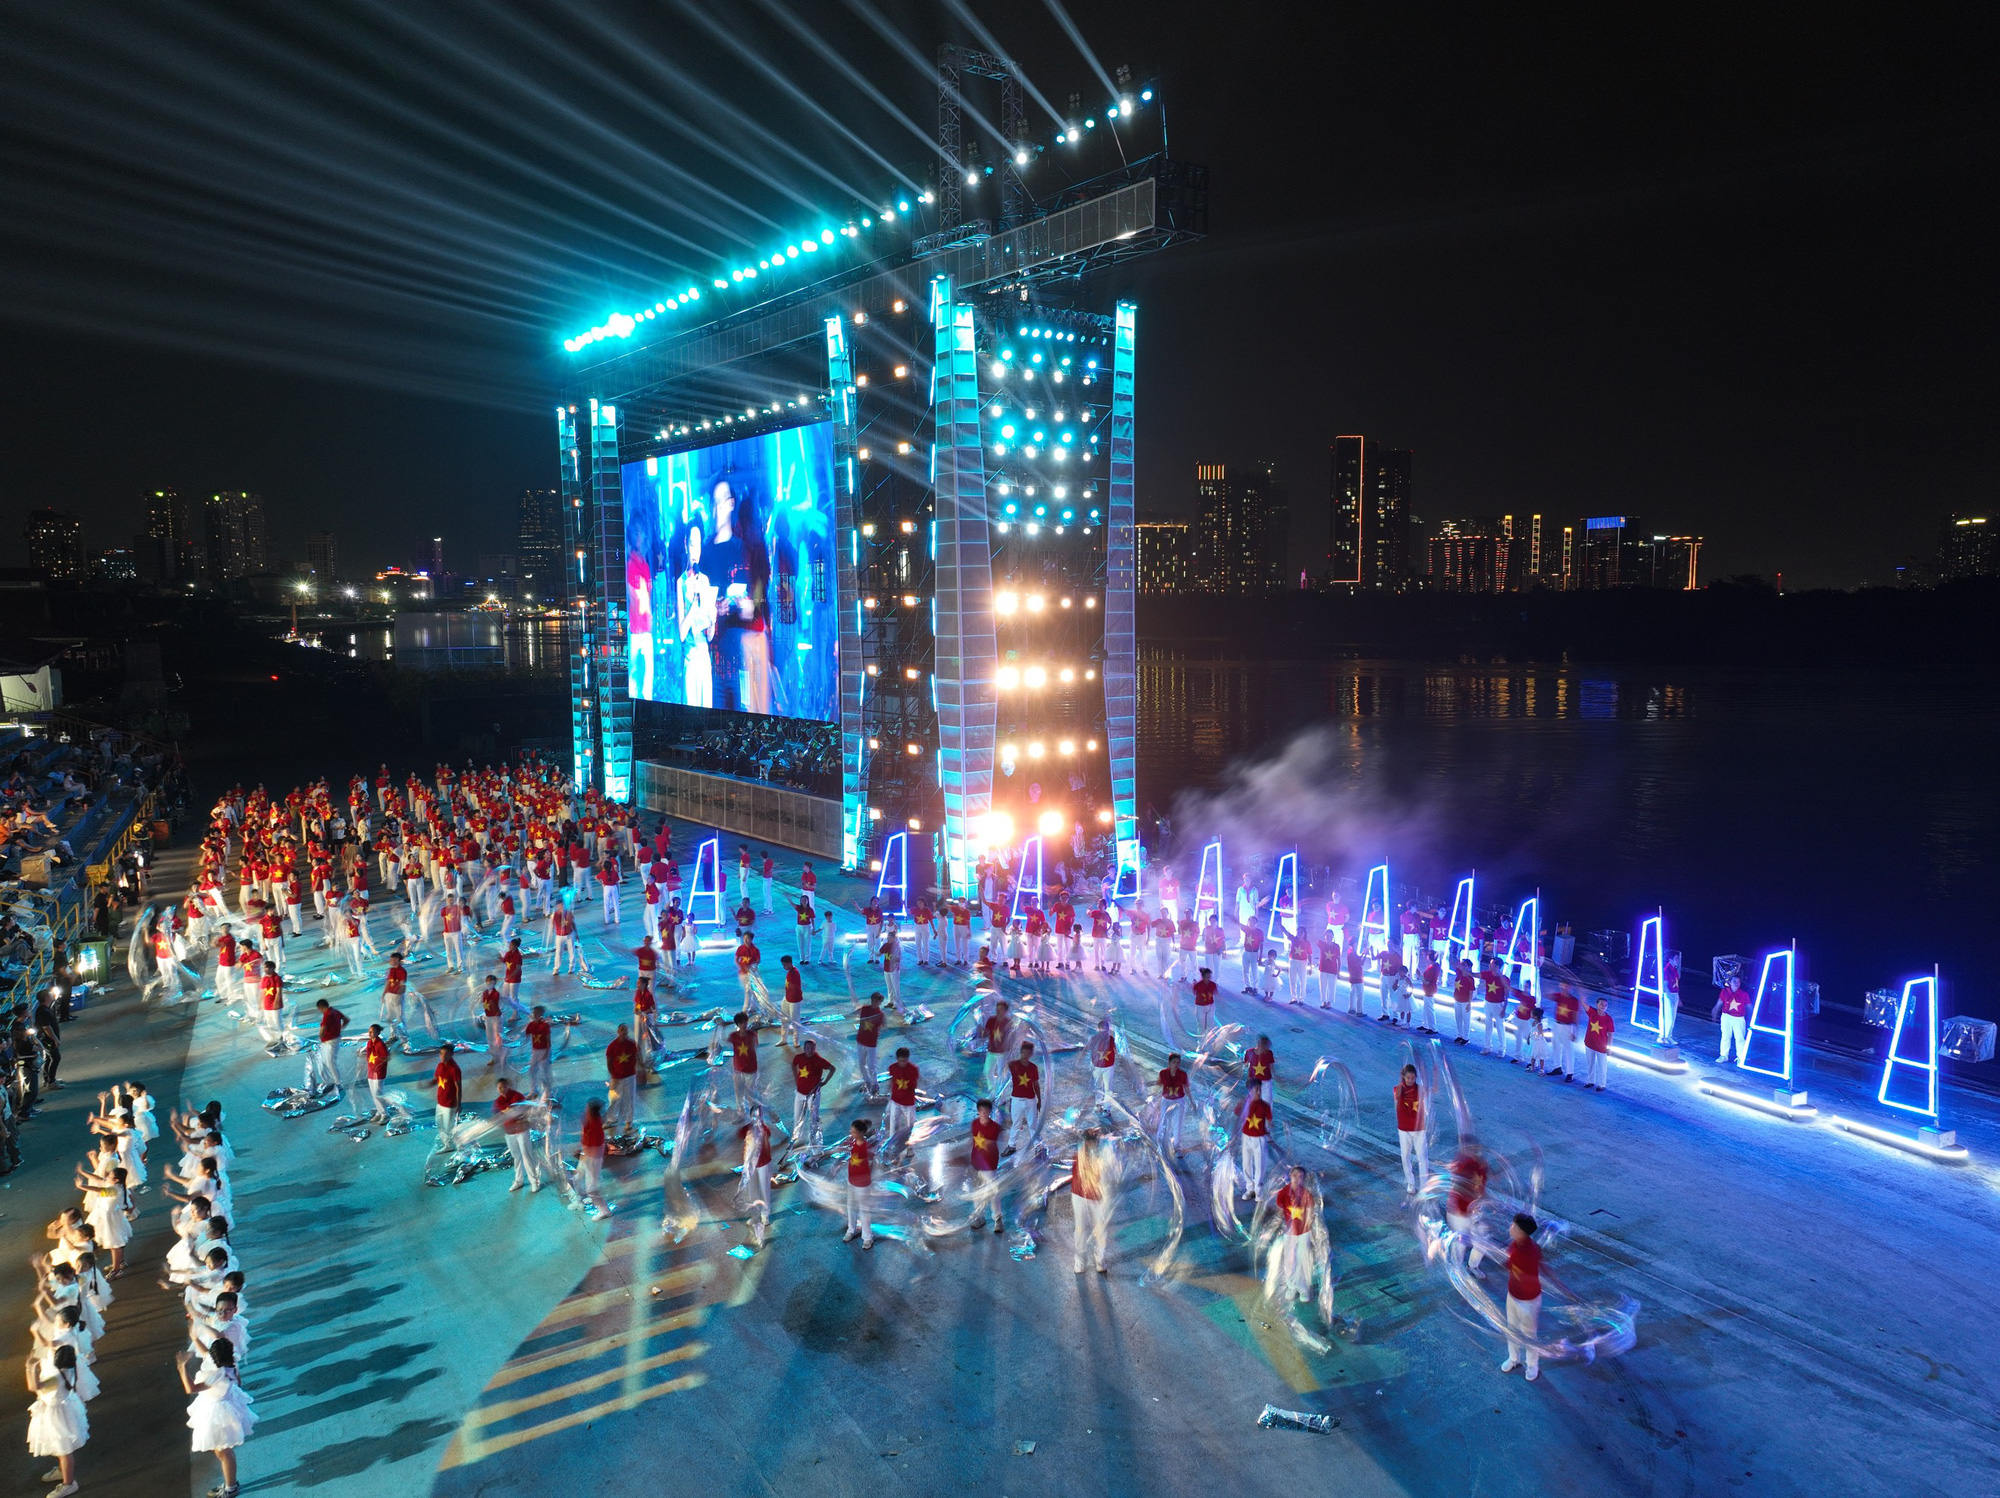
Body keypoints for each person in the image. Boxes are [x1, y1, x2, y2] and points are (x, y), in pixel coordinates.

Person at [179, 1336, 256, 1498]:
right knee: (223, 1451)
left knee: (223, 1452)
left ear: (215, 1357)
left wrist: (182, 1368)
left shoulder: (217, 1374)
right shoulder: (232, 1366)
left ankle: (231, 1487)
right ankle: (230, 1482)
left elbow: (190, 1388)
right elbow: (239, 1384)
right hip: (227, 1408)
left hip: (217, 1414)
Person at [28, 1342, 87, 1497]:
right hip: (65, 1411)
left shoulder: (55, 1378)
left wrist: (30, 1367)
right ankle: (62, 1471)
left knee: (64, 1450)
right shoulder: (70, 1368)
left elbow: (33, 1387)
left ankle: (69, 1484)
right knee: (61, 1448)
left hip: (56, 1417)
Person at [1500, 1213, 1543, 1381]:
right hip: (1513, 1295)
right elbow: (1509, 1265)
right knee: (1512, 1329)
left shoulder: (1530, 1252)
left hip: (1529, 1301)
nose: (1511, 1228)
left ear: (1522, 1232)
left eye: (1514, 1227)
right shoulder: (1514, 1245)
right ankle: (1514, 1358)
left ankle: (1532, 1364)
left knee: (1529, 1334)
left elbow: (1531, 1275)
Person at [1271, 1165, 1317, 1302]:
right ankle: (1291, 1286)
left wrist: (1312, 1230)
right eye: (1294, 1175)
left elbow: (1310, 1213)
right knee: (1289, 1260)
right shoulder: (1283, 1192)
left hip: (1304, 1232)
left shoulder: (1306, 1194)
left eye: (1300, 1177)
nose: (1297, 1179)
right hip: (1289, 1232)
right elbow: (1280, 1208)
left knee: (1302, 1259)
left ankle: (1302, 1288)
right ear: (1290, 1176)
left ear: (1304, 1179)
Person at [1069, 1128, 1111, 1274]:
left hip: (1097, 1197)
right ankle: (1080, 1261)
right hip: (1080, 1195)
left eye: (1095, 1141)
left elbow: (1107, 1177)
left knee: (1101, 1230)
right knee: (1080, 1228)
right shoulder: (1079, 1155)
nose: (1093, 1144)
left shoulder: (1103, 1155)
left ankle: (1100, 1259)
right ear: (1086, 1142)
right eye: (1090, 1141)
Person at [494, 1078, 541, 1192]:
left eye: (503, 1087)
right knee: (517, 1157)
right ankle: (518, 1180)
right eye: (499, 1087)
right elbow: (504, 1114)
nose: (501, 1089)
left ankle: (534, 1181)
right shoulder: (499, 1101)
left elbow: (525, 1110)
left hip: (522, 1131)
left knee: (526, 1155)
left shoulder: (517, 1096)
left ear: (507, 1086)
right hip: (509, 1133)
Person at [1447, 1147, 1490, 1269]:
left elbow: (1482, 1189)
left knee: (1482, 1240)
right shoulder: (1464, 1169)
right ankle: (1457, 1267)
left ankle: (1472, 1266)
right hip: (1459, 1214)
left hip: (1473, 1212)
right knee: (1461, 1242)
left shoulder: (1481, 1167)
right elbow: (1457, 1191)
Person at [967, 1098, 1004, 1233]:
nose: (984, 1113)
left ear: (989, 1111)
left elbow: (990, 1144)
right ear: (978, 1111)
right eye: (981, 1110)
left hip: (989, 1165)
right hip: (976, 1164)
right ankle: (979, 1217)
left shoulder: (994, 1127)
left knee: (993, 1193)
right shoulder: (975, 1124)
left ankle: (998, 1219)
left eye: (986, 1110)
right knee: (977, 1193)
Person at [791, 1040, 835, 1148]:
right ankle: (797, 1138)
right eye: (807, 1048)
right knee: (797, 1116)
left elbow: (832, 1069)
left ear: (815, 1048)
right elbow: (793, 1064)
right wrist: (795, 1077)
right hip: (800, 1093)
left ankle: (815, 1142)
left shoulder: (819, 1060)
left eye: (812, 1048)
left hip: (813, 1095)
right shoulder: (799, 1057)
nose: (809, 1050)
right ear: (804, 1048)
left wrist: (825, 1082)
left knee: (814, 1119)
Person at [739, 1104, 773, 1246]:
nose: (756, 1119)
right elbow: (743, 1142)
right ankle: (755, 1214)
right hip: (751, 1166)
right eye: (754, 1116)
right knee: (752, 1191)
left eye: (759, 1116)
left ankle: (765, 1214)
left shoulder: (764, 1129)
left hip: (764, 1163)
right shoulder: (746, 1129)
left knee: (764, 1189)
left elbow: (765, 1145)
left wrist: (761, 1137)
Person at [1393, 1063, 1427, 1193]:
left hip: (1419, 1129)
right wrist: (1400, 1080)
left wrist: (1434, 1073)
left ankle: (1424, 1186)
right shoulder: (1398, 1088)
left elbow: (1434, 1089)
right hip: (1404, 1129)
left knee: (1422, 1158)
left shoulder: (1420, 1089)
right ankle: (1411, 1183)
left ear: (1416, 1077)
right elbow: (1397, 1096)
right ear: (1404, 1077)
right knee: (1405, 1156)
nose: (1410, 1080)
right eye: (1408, 1078)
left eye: (1413, 1078)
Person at [573, 1098, 610, 1216]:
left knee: (591, 1189)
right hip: (587, 1155)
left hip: (592, 1159)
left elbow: (593, 1148)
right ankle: (579, 1200)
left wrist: (584, 1157)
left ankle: (604, 1210)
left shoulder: (595, 1127)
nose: (585, 1110)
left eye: (587, 1109)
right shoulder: (590, 1121)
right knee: (577, 1178)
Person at [842, 1117, 874, 1249]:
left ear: (862, 1133)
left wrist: (867, 1177)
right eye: (851, 1131)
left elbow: (872, 1162)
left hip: (862, 1184)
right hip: (852, 1180)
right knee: (851, 1206)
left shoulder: (866, 1147)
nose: (851, 1133)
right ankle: (851, 1229)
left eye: (854, 1132)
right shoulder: (854, 1143)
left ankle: (867, 1237)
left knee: (863, 1210)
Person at [1005, 1041, 1042, 1154]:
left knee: (1033, 1124)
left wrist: (1039, 1099)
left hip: (1030, 1099)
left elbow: (1036, 1084)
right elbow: (1003, 1064)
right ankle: (1011, 1146)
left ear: (1031, 1054)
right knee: (1016, 1124)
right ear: (1020, 1052)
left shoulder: (1033, 1068)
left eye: (1028, 1053)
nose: (1025, 1055)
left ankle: (1037, 1146)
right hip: (1016, 1099)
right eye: (1024, 1053)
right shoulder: (1013, 1065)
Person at [605, 1025, 640, 1133]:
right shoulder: (612, 1046)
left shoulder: (631, 1044)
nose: (624, 1033)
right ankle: (611, 1119)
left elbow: (636, 1057)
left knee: (629, 1098)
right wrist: (613, 1075)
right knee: (613, 1099)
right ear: (618, 1031)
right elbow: (609, 1062)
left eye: (626, 1031)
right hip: (617, 1077)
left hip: (629, 1076)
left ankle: (629, 1120)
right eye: (622, 1030)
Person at [884, 1048, 920, 1149]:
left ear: (908, 1059)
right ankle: (892, 1148)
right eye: (900, 1061)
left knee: (910, 1127)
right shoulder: (892, 1067)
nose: (902, 1063)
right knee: (893, 1126)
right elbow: (890, 1081)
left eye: (904, 1061)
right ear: (897, 1059)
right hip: (895, 1101)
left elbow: (914, 1085)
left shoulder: (913, 1069)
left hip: (908, 1103)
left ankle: (910, 1148)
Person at [1239, 1092, 1272, 1197]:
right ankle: (1250, 1188)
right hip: (1246, 1136)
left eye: (1259, 1089)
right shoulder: (1245, 1103)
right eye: (1255, 1090)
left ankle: (1258, 1190)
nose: (1258, 1092)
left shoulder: (1264, 1105)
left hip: (1259, 1137)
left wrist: (1268, 1131)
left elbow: (1269, 1120)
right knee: (1246, 1163)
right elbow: (1237, 1115)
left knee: (1259, 1165)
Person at [1156, 1052, 1189, 1154]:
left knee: (1177, 1124)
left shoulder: (1183, 1074)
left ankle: (1177, 1147)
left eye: (1178, 1062)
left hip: (1179, 1101)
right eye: (1174, 1062)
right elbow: (1158, 1085)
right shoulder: (1163, 1073)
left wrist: (1192, 1102)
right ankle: (1161, 1143)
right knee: (1163, 1122)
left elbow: (1187, 1088)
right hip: (1166, 1100)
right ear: (1169, 1063)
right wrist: (1154, 1100)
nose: (1176, 1064)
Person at [312, 999, 347, 1095]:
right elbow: (346, 1020)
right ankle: (329, 1081)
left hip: (330, 1041)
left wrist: (321, 1037)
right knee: (325, 1061)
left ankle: (338, 1083)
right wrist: (339, 1029)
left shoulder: (327, 1015)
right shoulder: (335, 1011)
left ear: (320, 1007)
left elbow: (322, 1031)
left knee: (330, 1062)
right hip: (333, 1039)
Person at [727, 1013, 760, 1115]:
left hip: (750, 1069)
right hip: (738, 1069)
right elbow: (725, 1041)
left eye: (745, 1022)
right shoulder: (733, 1036)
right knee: (739, 1092)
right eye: (741, 1023)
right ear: (738, 1024)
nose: (744, 1024)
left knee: (750, 1092)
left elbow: (755, 1046)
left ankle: (753, 1114)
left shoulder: (752, 1035)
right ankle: (741, 1113)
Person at [1716, 972, 1752, 1065]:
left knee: (1740, 1038)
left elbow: (1749, 1006)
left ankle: (1741, 1057)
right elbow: (1720, 1002)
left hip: (1739, 1018)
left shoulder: (1744, 994)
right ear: (1730, 982)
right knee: (1725, 1036)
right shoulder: (1724, 991)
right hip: (1726, 1016)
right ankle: (1723, 1055)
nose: (1736, 983)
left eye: (1738, 982)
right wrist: (1715, 1010)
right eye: (1734, 981)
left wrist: (1751, 1017)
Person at [853, 993, 885, 1097]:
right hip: (861, 1041)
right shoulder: (864, 1009)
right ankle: (867, 1081)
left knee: (872, 1065)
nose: (876, 1003)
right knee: (861, 1063)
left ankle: (875, 1084)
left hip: (871, 1043)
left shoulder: (880, 1014)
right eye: (874, 1001)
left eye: (878, 1002)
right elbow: (855, 1013)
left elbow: (882, 1027)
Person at [433, 1044, 463, 1150]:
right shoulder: (440, 1066)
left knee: (448, 1127)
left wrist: (459, 1104)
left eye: (446, 1054)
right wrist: (427, 1084)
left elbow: (458, 1088)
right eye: (441, 1053)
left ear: (452, 1055)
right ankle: (448, 1144)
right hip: (440, 1102)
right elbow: (437, 1078)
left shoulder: (454, 1069)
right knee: (439, 1124)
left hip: (450, 1104)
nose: (443, 1056)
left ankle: (456, 1144)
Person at [1550, 983, 1582, 1080]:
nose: (1564, 988)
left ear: (1570, 988)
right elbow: (1548, 996)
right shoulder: (1559, 996)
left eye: (1566, 986)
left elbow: (1576, 1017)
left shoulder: (1574, 1001)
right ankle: (1557, 1067)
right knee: (1556, 1046)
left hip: (1567, 1026)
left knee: (1568, 1050)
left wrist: (1575, 1031)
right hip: (1557, 1024)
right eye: (1562, 986)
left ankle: (1570, 1073)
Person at [1583, 996, 1614, 1091]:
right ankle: (1590, 1081)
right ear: (1597, 1004)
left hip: (1601, 1047)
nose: (1603, 1006)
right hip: (1589, 1044)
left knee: (1602, 1066)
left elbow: (1611, 1035)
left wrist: (1609, 1048)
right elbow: (1583, 1004)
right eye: (1601, 1004)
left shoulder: (1609, 1019)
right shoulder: (1592, 1012)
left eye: (1605, 1005)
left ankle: (1601, 1084)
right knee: (1590, 1064)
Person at [362, 1024, 391, 1122]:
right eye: (369, 1031)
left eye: (372, 1031)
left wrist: (378, 1065)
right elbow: (369, 1056)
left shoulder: (380, 1044)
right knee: (373, 1093)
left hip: (378, 1072)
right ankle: (379, 1111)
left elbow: (385, 1057)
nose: (369, 1033)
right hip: (371, 1071)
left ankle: (385, 1114)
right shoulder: (369, 1043)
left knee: (377, 1093)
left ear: (378, 1032)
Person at [524, 1006, 553, 1098]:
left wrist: (546, 1054)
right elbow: (526, 1034)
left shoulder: (545, 1026)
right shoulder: (531, 1025)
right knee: (532, 1070)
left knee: (545, 1072)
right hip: (535, 1050)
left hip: (544, 1050)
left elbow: (548, 1041)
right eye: (534, 1013)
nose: (535, 1015)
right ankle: (533, 1090)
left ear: (541, 1014)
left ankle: (548, 1093)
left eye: (537, 1013)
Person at [778, 955, 804, 1046]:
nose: (783, 966)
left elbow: (795, 987)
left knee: (795, 1021)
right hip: (787, 998)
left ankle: (796, 1040)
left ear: (790, 963)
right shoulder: (790, 971)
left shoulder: (795, 973)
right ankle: (783, 1038)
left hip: (795, 1000)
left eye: (784, 964)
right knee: (784, 1019)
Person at [1089, 1017, 1117, 1101]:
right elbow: (1115, 1050)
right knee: (1104, 1087)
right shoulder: (1110, 1039)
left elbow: (1090, 1049)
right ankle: (1102, 1105)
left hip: (1102, 1066)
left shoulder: (1095, 1038)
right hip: (1103, 1066)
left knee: (1103, 1087)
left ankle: (1102, 1105)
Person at [1246, 1034, 1275, 1102]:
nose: (1267, 1049)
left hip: (1266, 1081)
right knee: (1254, 1101)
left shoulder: (1269, 1053)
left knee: (1266, 1101)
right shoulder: (1249, 1052)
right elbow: (1248, 1066)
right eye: (1266, 1047)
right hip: (1255, 1082)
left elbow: (1271, 1067)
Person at [1192, 967, 1218, 1036]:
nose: (1208, 978)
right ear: (1203, 977)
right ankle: (1201, 1043)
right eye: (1207, 977)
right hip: (1200, 1006)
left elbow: (1216, 993)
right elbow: (1194, 992)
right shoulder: (1198, 985)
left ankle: (1209, 1041)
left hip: (1210, 1006)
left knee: (1210, 1025)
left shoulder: (1213, 984)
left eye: (1210, 976)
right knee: (1201, 1025)